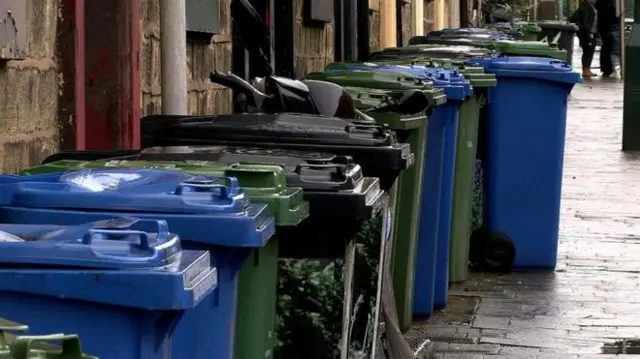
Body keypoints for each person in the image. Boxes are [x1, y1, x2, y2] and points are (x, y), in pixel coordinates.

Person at [575, 0, 598, 77]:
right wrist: (589, 33)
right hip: (587, 34)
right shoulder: (585, 7)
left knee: (589, 51)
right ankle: (586, 69)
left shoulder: (590, 6)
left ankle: (587, 69)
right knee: (588, 51)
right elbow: (585, 22)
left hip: (591, 32)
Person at [596, 0, 619, 77]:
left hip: (605, 28)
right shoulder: (607, 5)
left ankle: (606, 68)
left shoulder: (603, 5)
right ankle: (608, 68)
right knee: (610, 48)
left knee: (606, 48)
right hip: (608, 28)